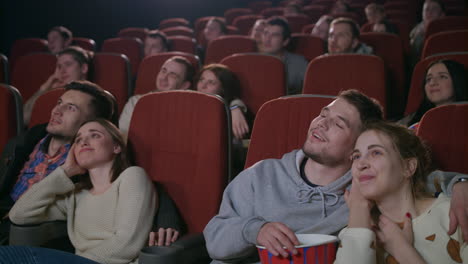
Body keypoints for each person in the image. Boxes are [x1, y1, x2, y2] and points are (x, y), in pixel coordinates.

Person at [203, 89, 468, 264]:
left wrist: (459, 184)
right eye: (323, 114)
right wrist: (254, 230)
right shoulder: (259, 174)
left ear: (357, 145)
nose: (321, 123)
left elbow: (410, 175)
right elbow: (214, 239)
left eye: (339, 124)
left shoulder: (364, 190)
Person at [7, 119, 156, 264]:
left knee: (9, 255)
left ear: (116, 147)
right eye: (78, 140)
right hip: (78, 260)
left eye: (95, 135)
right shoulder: (75, 195)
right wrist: (64, 171)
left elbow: (127, 243)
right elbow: (19, 215)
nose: (83, 142)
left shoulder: (132, 176)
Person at [336, 121, 467, 263]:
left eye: (376, 152)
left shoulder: (455, 213)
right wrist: (358, 211)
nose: (361, 164)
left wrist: (401, 250)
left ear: (408, 167)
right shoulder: (356, 226)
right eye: (356, 156)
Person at [118, 56, 195, 137]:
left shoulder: (189, 110)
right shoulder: (136, 102)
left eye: (173, 75)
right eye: (163, 71)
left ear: (184, 85)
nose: (164, 78)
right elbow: (122, 138)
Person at [23, 46, 92, 126]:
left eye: (68, 64)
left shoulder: (91, 96)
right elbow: (25, 118)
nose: (62, 70)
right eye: (59, 66)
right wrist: (44, 89)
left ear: (84, 68)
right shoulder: (54, 92)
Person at [399, 60, 468, 130]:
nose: (432, 83)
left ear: (458, 81)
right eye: (428, 79)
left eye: (442, 77)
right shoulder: (410, 121)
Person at [195, 64, 251, 140]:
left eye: (211, 82)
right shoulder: (188, 102)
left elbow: (234, 102)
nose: (203, 86)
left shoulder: (229, 108)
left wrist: (235, 107)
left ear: (223, 89)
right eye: (201, 79)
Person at [261, 17, 308, 95]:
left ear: (285, 41)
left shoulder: (299, 63)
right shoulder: (253, 61)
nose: (267, 39)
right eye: (265, 33)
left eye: (274, 35)